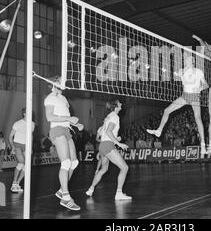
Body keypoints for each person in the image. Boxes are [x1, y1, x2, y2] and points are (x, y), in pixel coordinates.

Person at [147, 55, 208, 154]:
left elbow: (206, 85)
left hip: (195, 96)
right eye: (185, 60)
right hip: (184, 96)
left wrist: (199, 88)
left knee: (198, 118)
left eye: (187, 59)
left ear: (192, 61)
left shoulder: (198, 71)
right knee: (167, 111)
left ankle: (203, 145)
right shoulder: (182, 71)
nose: (185, 61)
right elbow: (180, 73)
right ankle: (159, 131)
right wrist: (187, 66)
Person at [44, 76, 84, 211]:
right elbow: (49, 117)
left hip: (67, 130)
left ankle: (62, 190)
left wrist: (76, 124)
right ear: (54, 83)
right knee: (66, 163)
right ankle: (66, 198)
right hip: (57, 130)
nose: (64, 82)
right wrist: (69, 118)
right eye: (61, 80)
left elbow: (67, 118)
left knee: (74, 163)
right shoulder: (50, 98)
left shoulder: (63, 98)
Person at [86, 100, 131, 201]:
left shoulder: (109, 116)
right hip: (108, 145)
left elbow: (106, 133)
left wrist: (116, 139)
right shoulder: (115, 116)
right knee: (124, 167)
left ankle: (90, 189)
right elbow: (108, 131)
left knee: (104, 169)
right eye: (120, 103)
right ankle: (119, 193)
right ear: (116, 106)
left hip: (103, 145)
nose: (121, 104)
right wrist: (118, 143)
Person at [8, 109, 35, 193]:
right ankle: (14, 183)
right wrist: (13, 146)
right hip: (17, 144)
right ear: (24, 114)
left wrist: (30, 148)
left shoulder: (32, 124)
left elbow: (31, 136)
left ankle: (17, 183)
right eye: (28, 112)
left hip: (26, 146)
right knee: (21, 162)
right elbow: (10, 136)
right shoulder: (17, 123)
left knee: (27, 166)